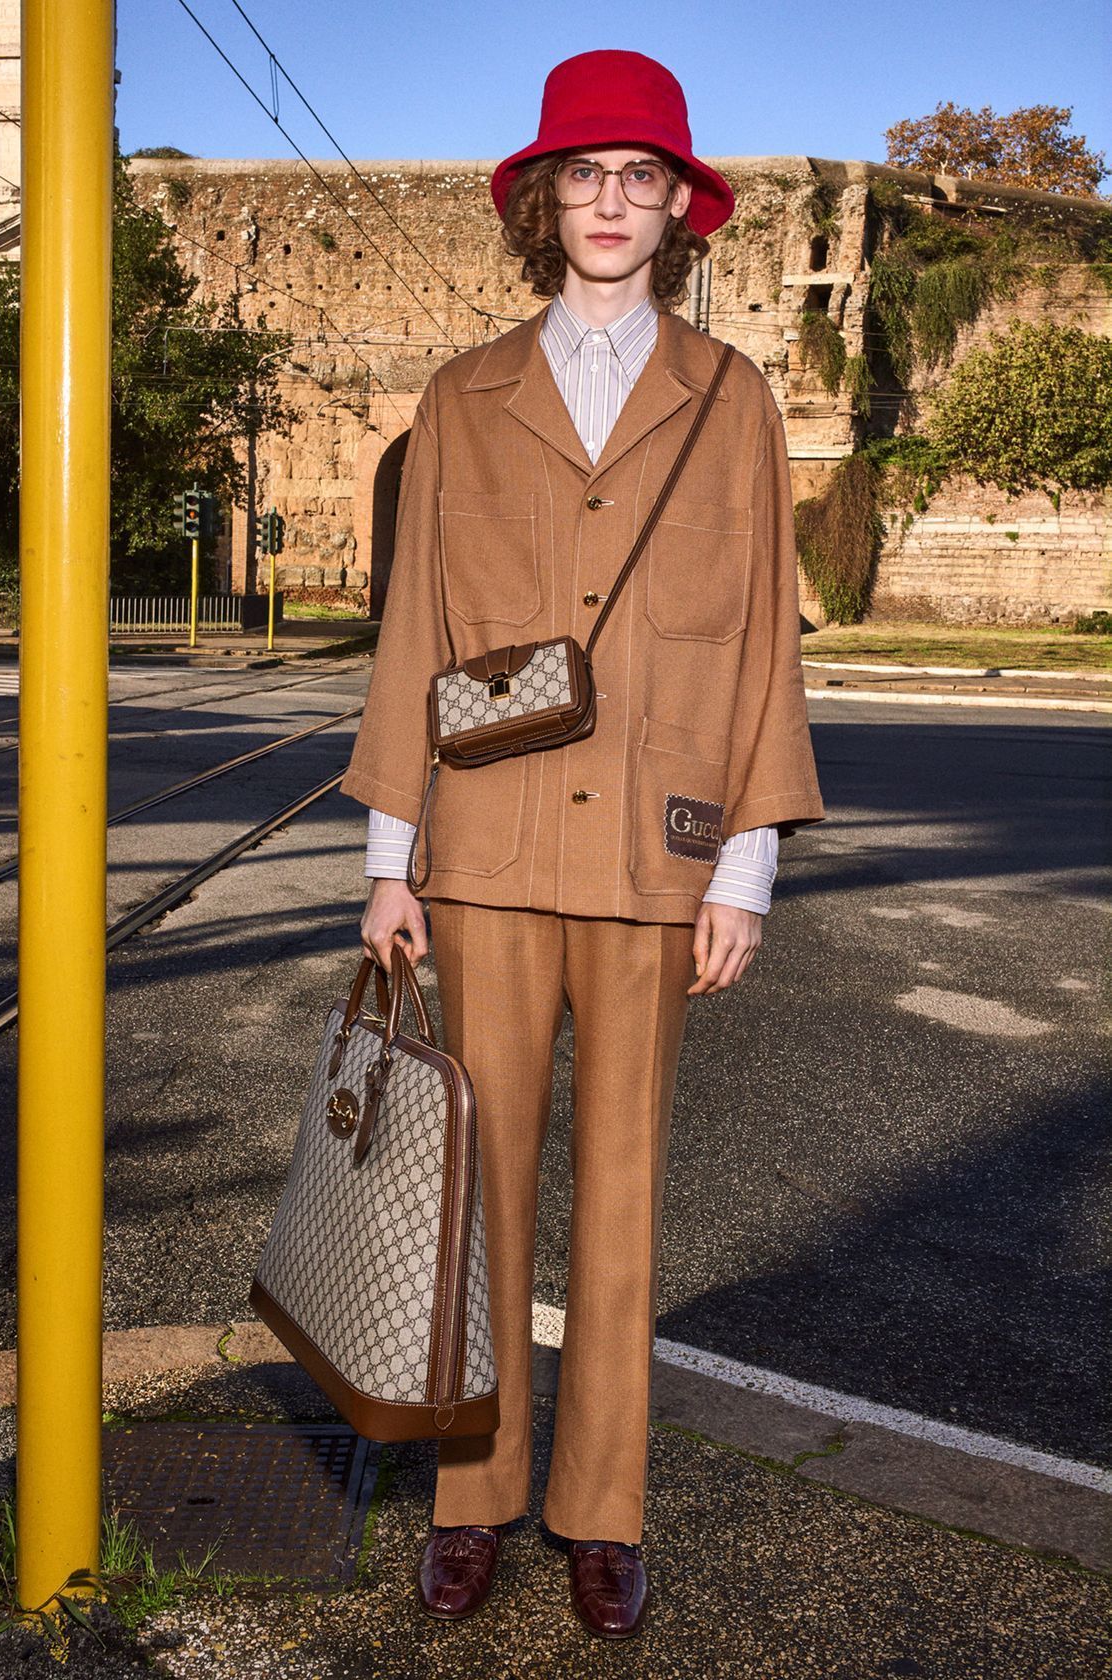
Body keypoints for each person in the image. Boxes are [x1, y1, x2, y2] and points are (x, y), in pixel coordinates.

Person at [341, 48, 825, 1640]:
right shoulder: (464, 396)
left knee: (621, 1195)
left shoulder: (732, 396)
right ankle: (469, 1497)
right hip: (478, 850)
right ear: (539, 203)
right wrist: (388, 860)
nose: (610, 201)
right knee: (471, 1185)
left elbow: (763, 639)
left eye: (640, 176)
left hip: (654, 854)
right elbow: (419, 625)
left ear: (679, 210)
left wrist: (743, 865)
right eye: (582, 173)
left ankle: (598, 1511)